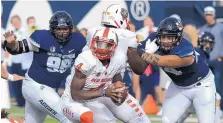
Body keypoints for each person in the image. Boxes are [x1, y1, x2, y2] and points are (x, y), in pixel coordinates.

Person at [61, 4, 151, 123]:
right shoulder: (86, 59)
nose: (102, 49)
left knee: (139, 118)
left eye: (107, 45)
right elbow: (76, 93)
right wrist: (148, 53)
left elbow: (116, 75)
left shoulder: (95, 34)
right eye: (100, 44)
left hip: (106, 87)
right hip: (83, 93)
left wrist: (118, 87)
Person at [3, 11, 86, 123]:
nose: (62, 32)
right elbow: (18, 48)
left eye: (65, 29)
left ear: (71, 29)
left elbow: (89, 59)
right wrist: (11, 42)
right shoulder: (42, 37)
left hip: (49, 89)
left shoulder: (78, 41)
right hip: (34, 85)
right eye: (58, 29)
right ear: (52, 29)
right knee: (68, 116)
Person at [136, 17, 216, 123]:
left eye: (170, 38)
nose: (165, 41)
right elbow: (138, 67)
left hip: (202, 85)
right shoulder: (154, 39)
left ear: (178, 37)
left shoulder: (186, 47)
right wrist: (139, 49)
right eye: (163, 36)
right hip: (179, 86)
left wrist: (145, 53)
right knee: (167, 120)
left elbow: (164, 61)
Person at [176, 31, 222, 123]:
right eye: (206, 42)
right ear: (200, 41)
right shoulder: (196, 52)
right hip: (190, 88)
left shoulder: (206, 55)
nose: (208, 45)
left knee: (215, 99)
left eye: (210, 43)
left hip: (196, 90)